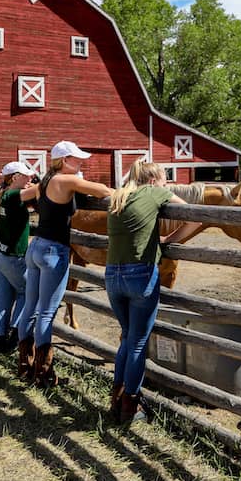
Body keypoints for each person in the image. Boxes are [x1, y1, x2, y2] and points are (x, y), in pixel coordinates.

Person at [105, 160, 200, 423]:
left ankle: (117, 398)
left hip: (113, 274)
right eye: (164, 180)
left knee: (126, 337)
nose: (166, 184)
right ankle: (130, 407)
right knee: (136, 342)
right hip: (140, 274)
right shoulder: (154, 192)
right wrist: (171, 240)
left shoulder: (118, 197)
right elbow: (195, 214)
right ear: (153, 180)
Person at [17, 141, 112, 387]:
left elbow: (21, 196)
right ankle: (44, 373)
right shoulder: (66, 181)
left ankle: (24, 364)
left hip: (36, 246)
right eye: (76, 159)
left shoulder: (44, 183)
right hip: (53, 250)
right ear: (64, 160)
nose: (81, 163)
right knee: (47, 312)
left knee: (30, 306)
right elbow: (103, 190)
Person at [0, 161, 38, 353]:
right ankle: (16, 335)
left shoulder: (3, 193)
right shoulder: (14, 194)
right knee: (29, 292)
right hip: (13, 255)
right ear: (15, 177)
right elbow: (43, 188)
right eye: (26, 175)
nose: (30, 178)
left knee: (3, 294)